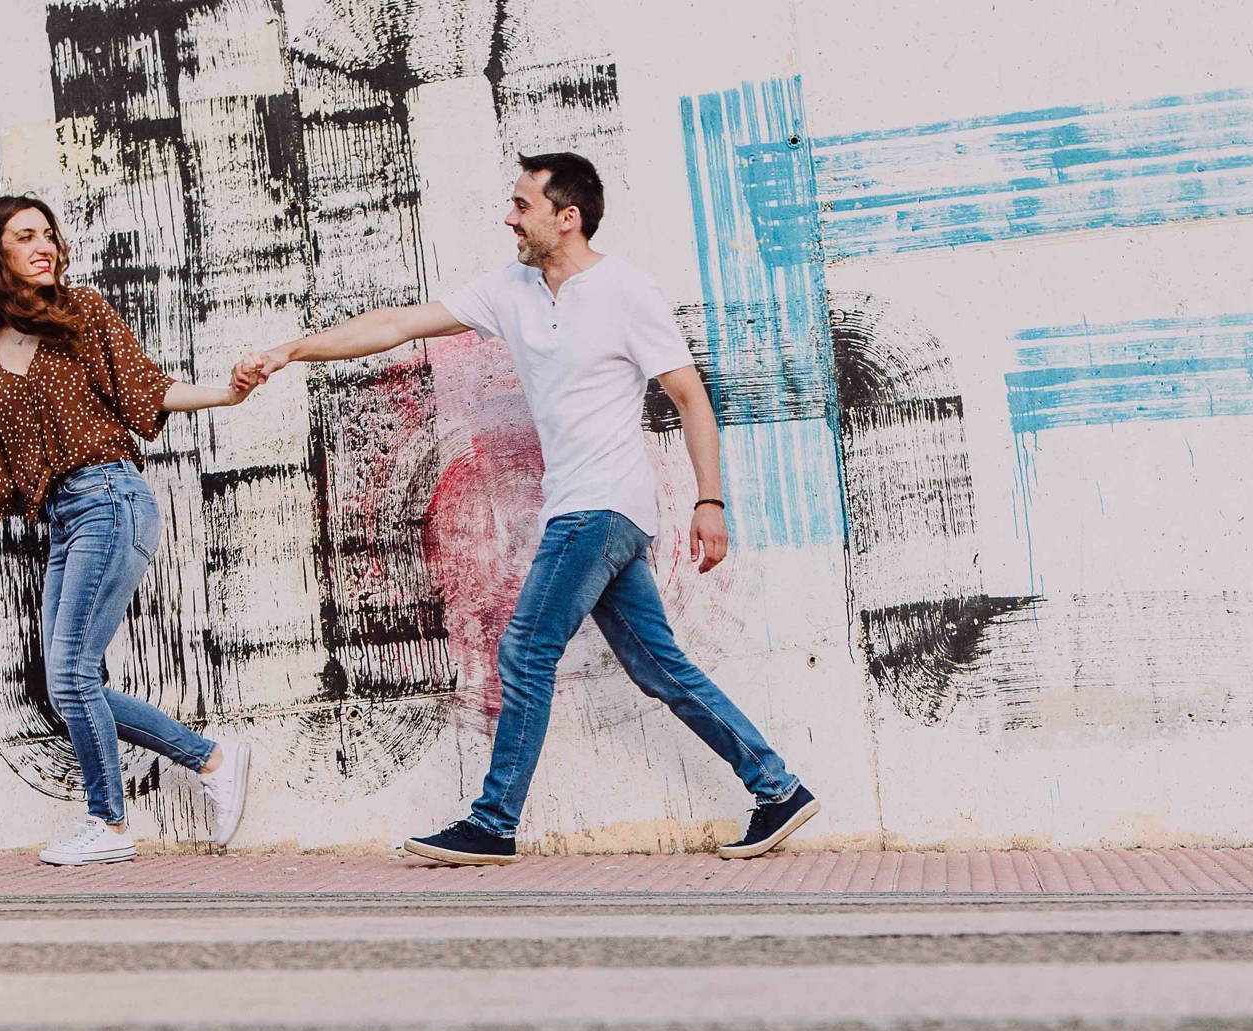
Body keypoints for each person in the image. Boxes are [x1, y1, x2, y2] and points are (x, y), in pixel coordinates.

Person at [233, 152, 818, 864]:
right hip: (586, 508)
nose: (509, 217)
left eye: (522, 206)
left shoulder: (626, 290)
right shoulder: (510, 288)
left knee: (525, 648)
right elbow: (396, 325)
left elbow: (691, 394)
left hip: (600, 505)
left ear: (566, 218)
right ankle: (777, 786)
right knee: (659, 667)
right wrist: (291, 349)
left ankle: (493, 820)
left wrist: (710, 500)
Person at [0, 195, 253, 866]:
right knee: (67, 683)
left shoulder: (82, 311)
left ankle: (109, 822)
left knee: (68, 673)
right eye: (25, 236)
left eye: (48, 235)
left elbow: (146, 389)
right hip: (63, 516)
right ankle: (209, 758)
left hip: (110, 497)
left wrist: (225, 393)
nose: (45, 246)